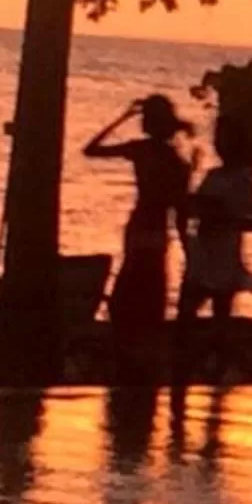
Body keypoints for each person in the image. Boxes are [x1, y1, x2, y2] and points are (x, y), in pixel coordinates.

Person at [83, 95, 194, 380]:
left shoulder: (142, 150)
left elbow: (92, 150)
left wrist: (123, 117)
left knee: (130, 285)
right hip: (156, 229)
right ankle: (140, 349)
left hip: (141, 225)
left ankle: (127, 348)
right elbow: (179, 210)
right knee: (148, 285)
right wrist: (186, 248)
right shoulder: (176, 162)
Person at [180, 112, 252, 333]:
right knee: (186, 312)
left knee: (219, 317)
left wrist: (224, 219)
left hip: (224, 255)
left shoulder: (242, 179)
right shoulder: (213, 175)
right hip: (203, 251)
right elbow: (193, 206)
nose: (219, 144)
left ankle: (217, 362)